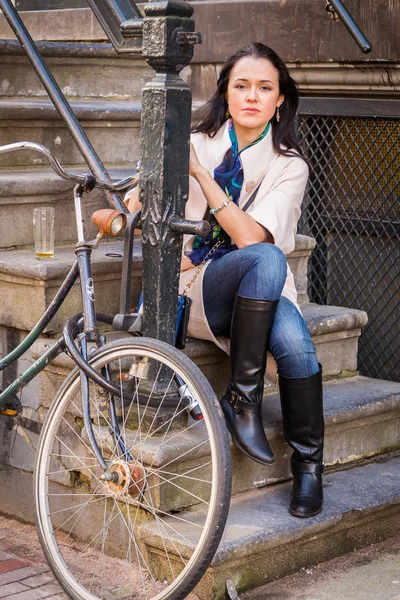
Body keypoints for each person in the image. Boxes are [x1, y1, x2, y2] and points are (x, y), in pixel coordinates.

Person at [125, 42, 324, 518]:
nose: (251, 96)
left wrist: (201, 177)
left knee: (295, 341)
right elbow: (134, 203)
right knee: (268, 263)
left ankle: (309, 467)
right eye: (241, 85)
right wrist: (134, 199)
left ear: (280, 100)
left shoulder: (289, 164)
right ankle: (245, 402)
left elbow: (252, 237)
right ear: (226, 93)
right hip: (197, 287)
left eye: (264, 87)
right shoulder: (195, 141)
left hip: (260, 285)